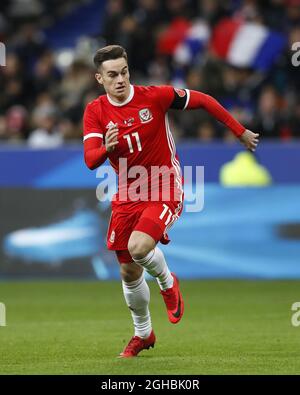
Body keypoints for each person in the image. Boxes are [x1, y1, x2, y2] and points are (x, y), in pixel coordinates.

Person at [83, 45, 259, 358]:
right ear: (100, 78)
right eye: (112, 74)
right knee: (128, 272)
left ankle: (167, 280)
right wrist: (107, 149)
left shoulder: (155, 96)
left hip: (165, 185)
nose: (120, 79)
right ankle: (143, 334)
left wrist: (239, 130)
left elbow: (203, 100)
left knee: (139, 248)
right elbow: (90, 160)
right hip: (127, 193)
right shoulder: (95, 111)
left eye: (124, 71)